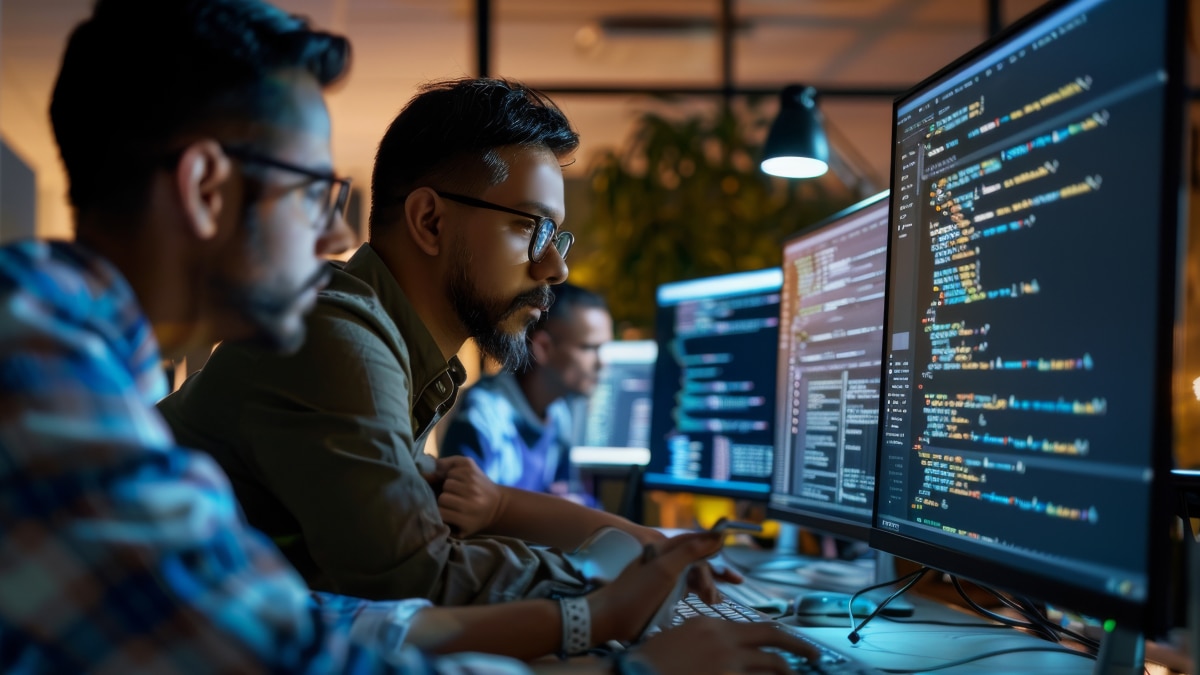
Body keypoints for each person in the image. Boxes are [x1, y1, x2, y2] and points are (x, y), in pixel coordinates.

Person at [0, 1, 819, 672]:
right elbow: (322, 647)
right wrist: (628, 654)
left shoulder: (79, 362)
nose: (331, 236)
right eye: (311, 193)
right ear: (207, 189)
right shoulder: (42, 379)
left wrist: (610, 594)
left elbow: (317, 620)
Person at [441, 282, 612, 502]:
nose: (602, 363)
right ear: (543, 347)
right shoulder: (482, 418)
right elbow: (464, 515)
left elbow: (569, 495)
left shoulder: (558, 415)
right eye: (589, 348)